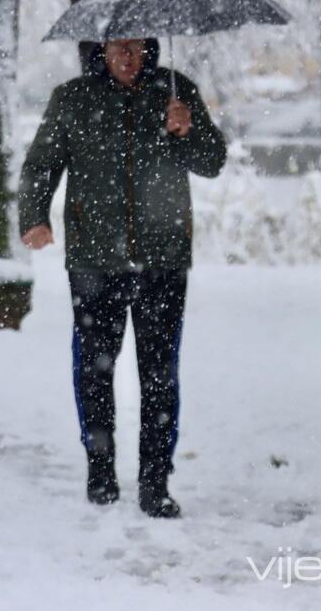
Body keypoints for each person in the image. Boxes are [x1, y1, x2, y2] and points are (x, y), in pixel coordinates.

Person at [18, 38, 226, 516]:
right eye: (117, 48)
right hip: (95, 260)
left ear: (149, 47)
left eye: (134, 47)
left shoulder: (176, 91)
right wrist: (34, 216)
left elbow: (213, 162)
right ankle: (101, 471)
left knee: (159, 374)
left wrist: (187, 130)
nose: (127, 57)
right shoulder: (73, 99)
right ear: (102, 50)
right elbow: (42, 164)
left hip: (162, 260)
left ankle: (155, 483)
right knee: (95, 371)